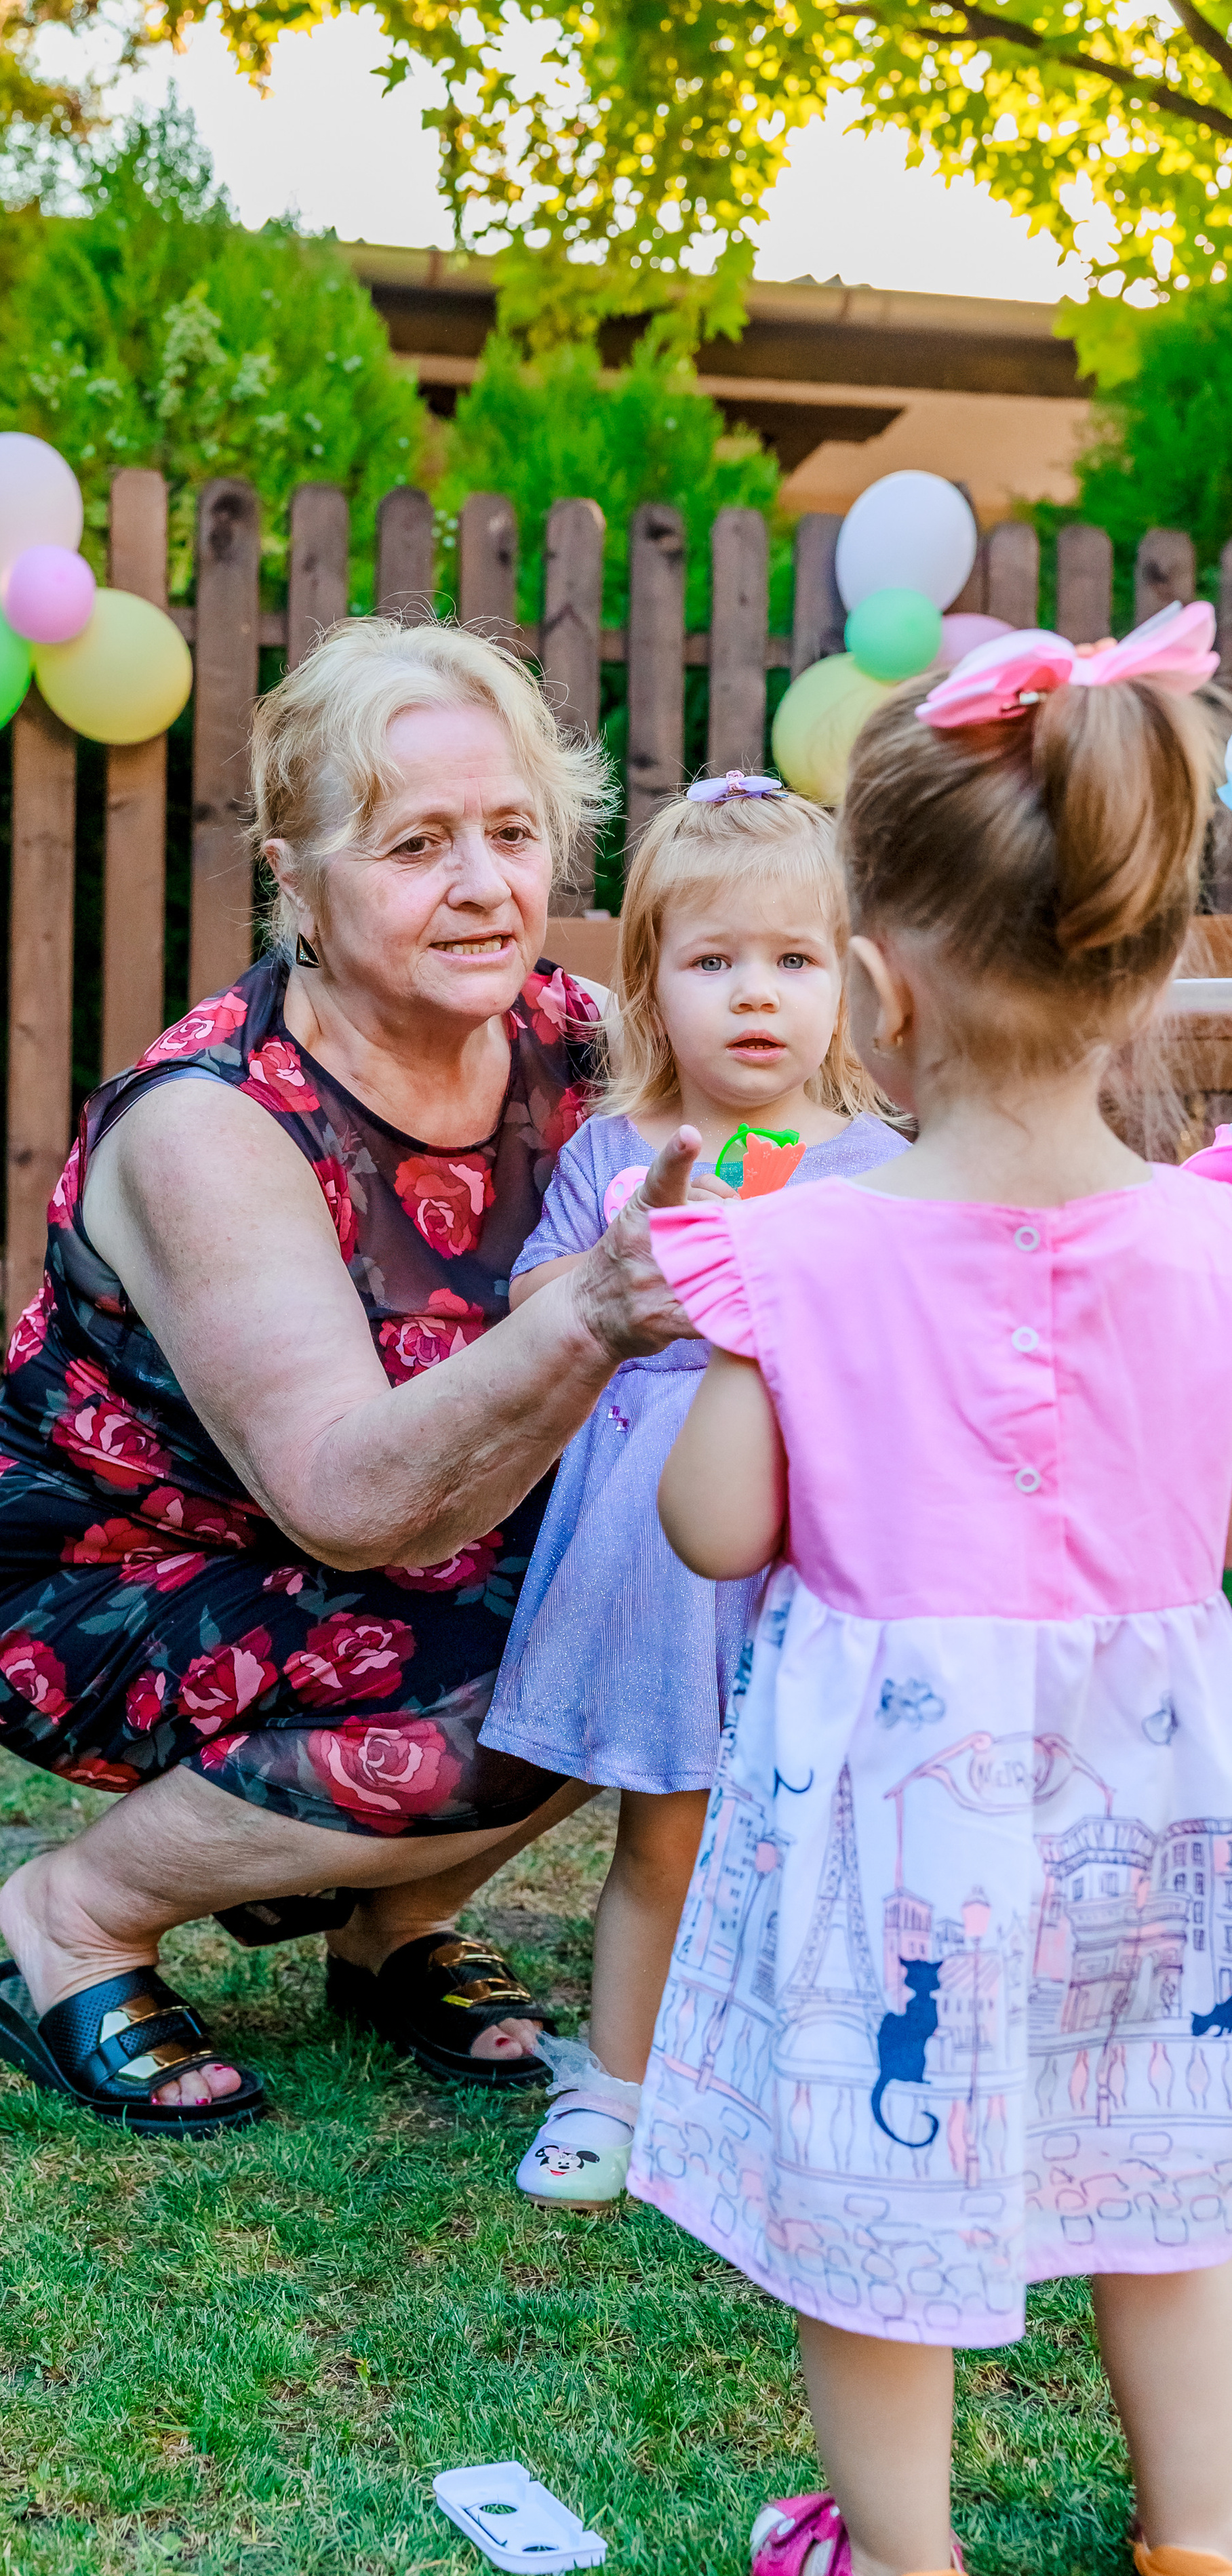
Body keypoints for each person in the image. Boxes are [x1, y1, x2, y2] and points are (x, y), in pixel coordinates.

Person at [0, 616, 704, 2139]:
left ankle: (389, 1927)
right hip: (110, 1567)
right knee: (508, 1694)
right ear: (295, 879)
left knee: (664, 1603)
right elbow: (343, 1498)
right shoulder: (212, 1121)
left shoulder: (573, 1042)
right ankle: (73, 1921)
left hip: (395, 1543)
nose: (482, 886)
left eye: (512, 832)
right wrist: (593, 1311)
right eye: (415, 844)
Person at [634, 603, 1232, 2576]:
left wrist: (749, 1341)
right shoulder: (1212, 1244)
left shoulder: (797, 1249)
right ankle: (1198, 2532)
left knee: (884, 2189)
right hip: (1160, 1786)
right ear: (1154, 967)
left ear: (874, 987)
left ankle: (904, 2554)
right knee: (1168, 2172)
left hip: (900, 1809)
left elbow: (718, 1533)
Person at [479, 773, 907, 2211]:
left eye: (792, 961)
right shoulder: (617, 1153)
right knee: (664, 1828)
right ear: (650, 985)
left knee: (824, 1830)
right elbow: (537, 1298)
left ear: (849, 985)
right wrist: (630, 1263)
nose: (753, 996)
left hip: (814, 1548)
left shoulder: (879, 1170)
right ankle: (617, 2082)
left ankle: (799, 2084)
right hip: (656, 1554)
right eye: (712, 960)